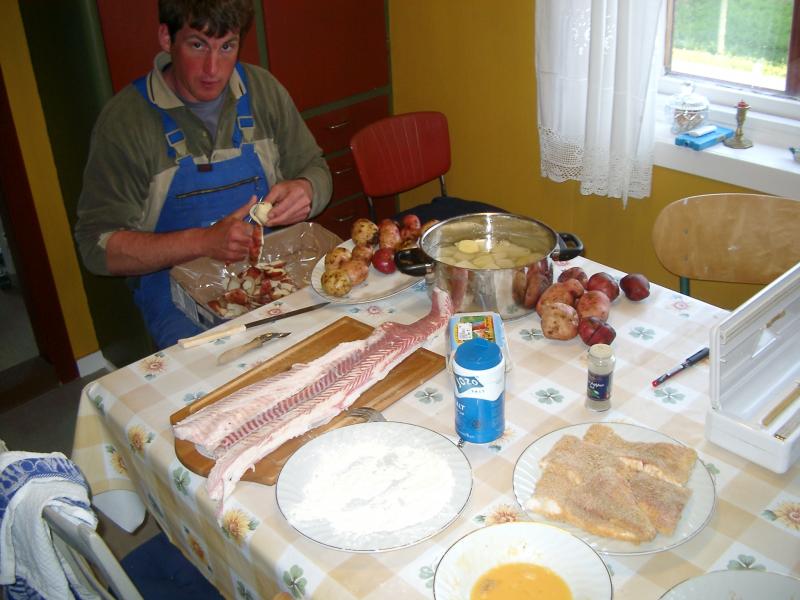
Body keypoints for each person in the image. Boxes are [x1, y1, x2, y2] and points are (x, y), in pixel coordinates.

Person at [74, 0, 332, 349]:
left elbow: (316, 168)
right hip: (175, 293)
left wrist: (307, 189)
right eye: (198, 45)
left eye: (227, 47)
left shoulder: (263, 91)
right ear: (167, 38)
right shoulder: (125, 122)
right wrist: (203, 242)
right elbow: (96, 246)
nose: (214, 69)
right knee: (224, 377)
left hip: (272, 268)